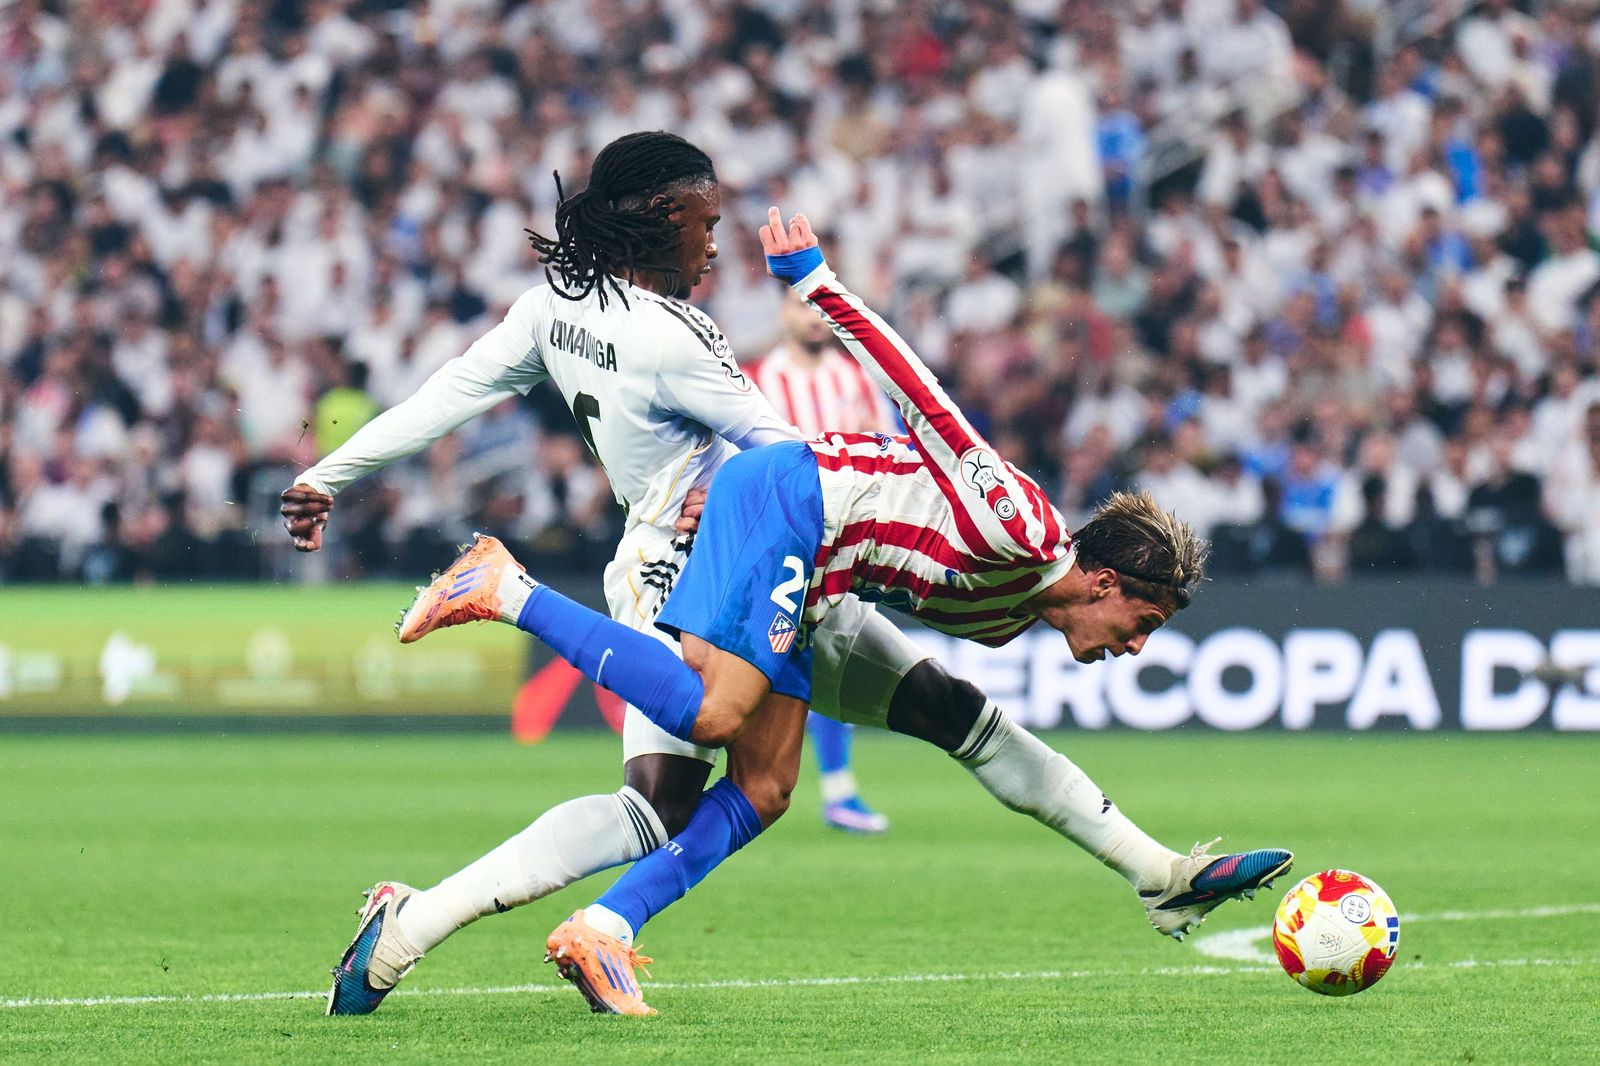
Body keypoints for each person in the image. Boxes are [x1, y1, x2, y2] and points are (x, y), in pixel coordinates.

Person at [393, 197, 1293, 1014]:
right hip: (788, 506)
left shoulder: (1019, 606)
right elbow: (926, 404)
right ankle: (504, 587)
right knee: (712, 720)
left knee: (796, 777)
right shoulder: (1018, 525)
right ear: (1105, 583)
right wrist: (818, 284)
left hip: (816, 574)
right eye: (1139, 625)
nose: (1134, 648)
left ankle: (1158, 874)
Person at [750, 294, 895, 834]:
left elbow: (890, 453)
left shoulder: (855, 380)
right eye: (799, 306)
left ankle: (837, 791)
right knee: (754, 667)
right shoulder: (757, 378)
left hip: (842, 548)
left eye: (818, 308)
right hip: (770, 543)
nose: (812, 317)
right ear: (782, 314)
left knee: (823, 661)